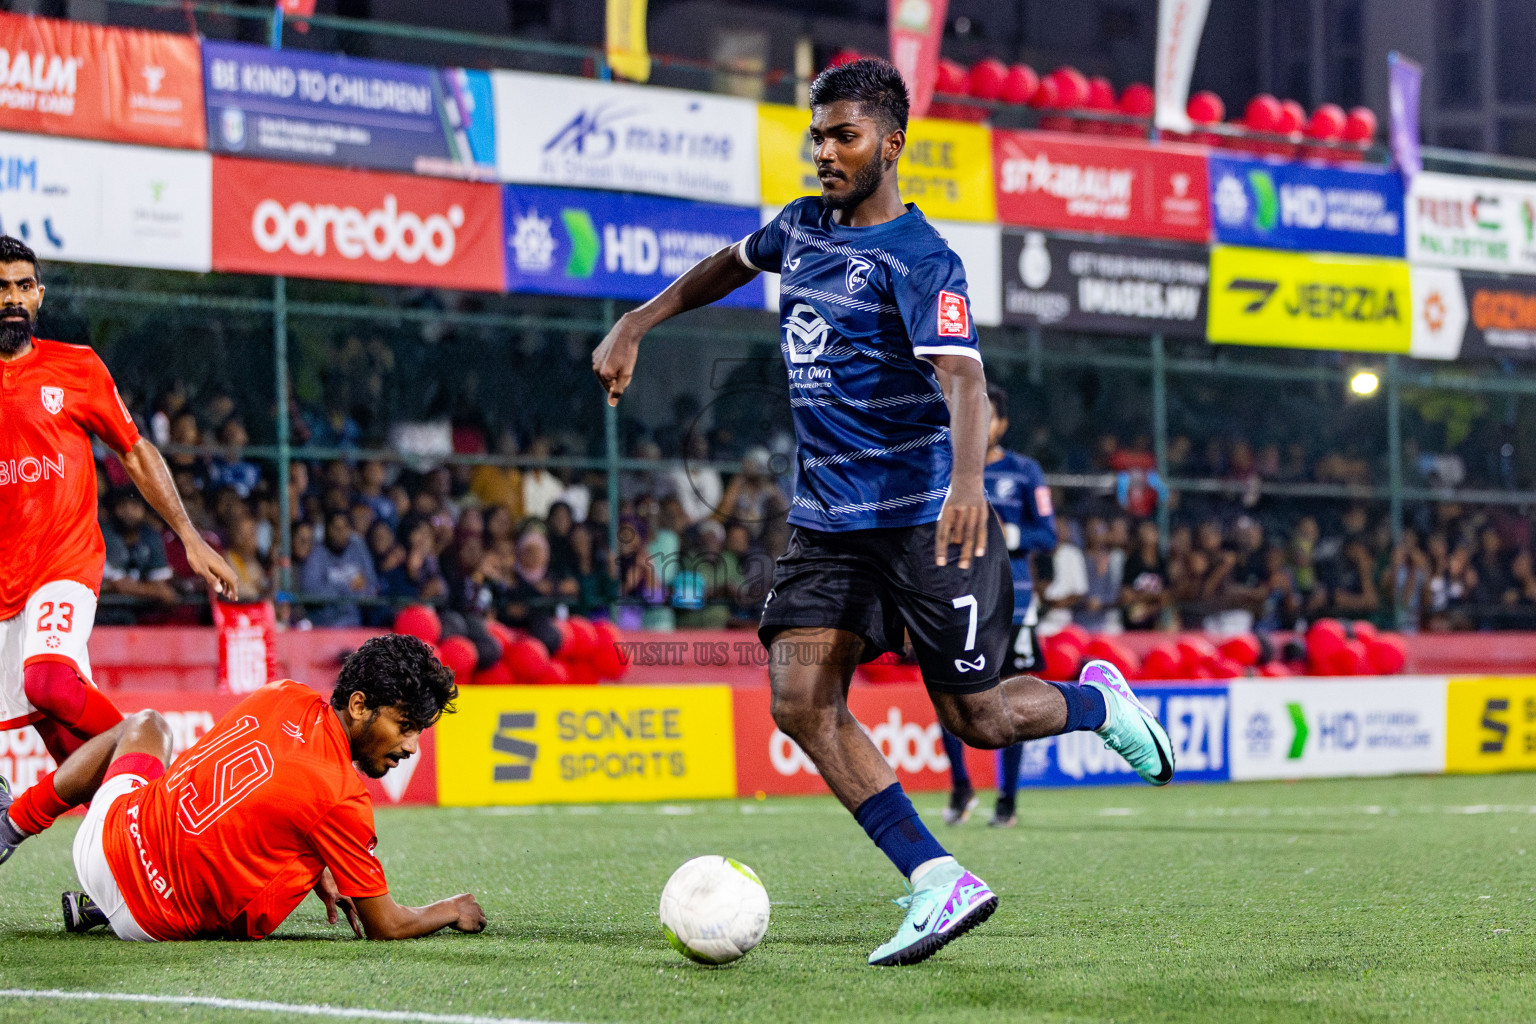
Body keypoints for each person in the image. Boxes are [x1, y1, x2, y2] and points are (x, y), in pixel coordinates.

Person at [591, 59, 1174, 967]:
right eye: (818, 135)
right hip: (828, 522)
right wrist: (640, 318)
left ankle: (1095, 704)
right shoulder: (802, 228)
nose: (825, 152)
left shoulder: (920, 258)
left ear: (891, 144)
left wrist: (970, 482)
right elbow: (727, 265)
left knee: (978, 717)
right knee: (798, 701)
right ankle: (938, 878)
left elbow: (965, 375)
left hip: (924, 519)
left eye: (844, 136)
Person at [0, 634, 486, 941]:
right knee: (293, 861)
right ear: (358, 705)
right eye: (405, 726)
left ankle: (14, 824)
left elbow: (221, 784)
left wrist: (317, 856)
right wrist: (449, 909)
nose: (411, 746)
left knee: (147, 725)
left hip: (103, 850)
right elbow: (387, 925)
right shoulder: (342, 797)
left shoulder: (283, 693)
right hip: (155, 925)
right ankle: (105, 910)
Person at [0, 236, 237, 778]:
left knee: (47, 683)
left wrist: (190, 537)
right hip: (3, 577)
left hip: (63, 563)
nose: (13, 297)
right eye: (1, 288)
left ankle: (153, 761)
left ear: (39, 296)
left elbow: (135, 451)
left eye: (23, 286)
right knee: (53, 725)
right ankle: (126, 823)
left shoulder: (76, 367)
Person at [940, 384, 1056, 830]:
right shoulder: (946, 469)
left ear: (1001, 424)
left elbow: (1048, 535)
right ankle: (961, 787)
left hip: (1013, 602)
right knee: (945, 693)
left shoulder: (1025, 472)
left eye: (982, 416)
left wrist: (1005, 536)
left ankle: (1007, 800)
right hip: (958, 595)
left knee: (1010, 696)